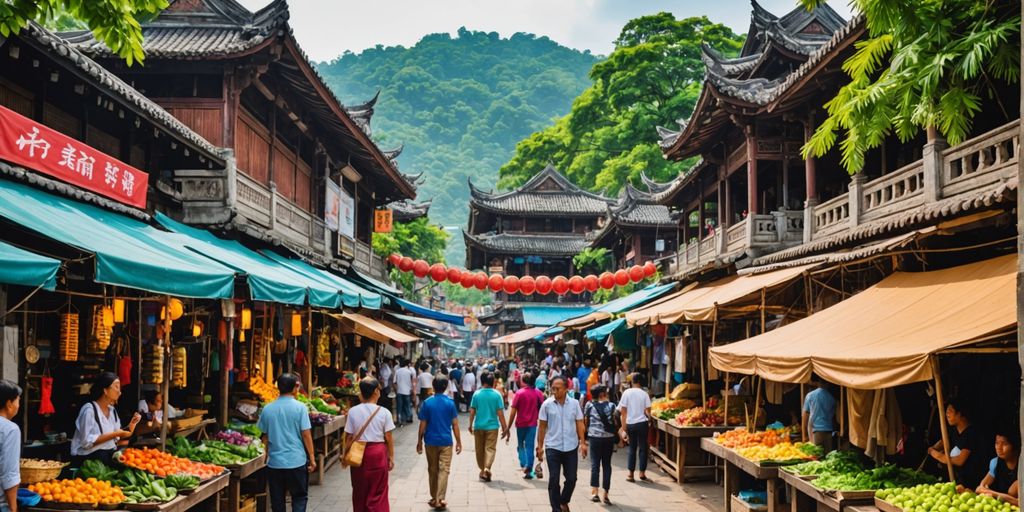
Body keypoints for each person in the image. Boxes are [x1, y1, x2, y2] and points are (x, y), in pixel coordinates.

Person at [257, 373, 315, 512]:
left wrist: (264, 457)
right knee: (299, 497)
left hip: (275, 463)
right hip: (297, 461)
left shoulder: (267, 408)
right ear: (295, 388)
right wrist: (312, 458)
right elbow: (306, 434)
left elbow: (264, 436)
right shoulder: (300, 408)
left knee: (277, 501)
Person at [344, 377, 396, 512]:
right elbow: (388, 437)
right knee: (378, 492)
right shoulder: (385, 412)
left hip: (358, 454)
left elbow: (349, 436)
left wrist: (345, 454)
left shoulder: (353, 411)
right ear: (375, 392)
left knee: (359, 490)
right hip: (377, 453)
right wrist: (391, 457)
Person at [536, 376, 586, 512]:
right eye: (552, 388)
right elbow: (542, 427)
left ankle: (564, 500)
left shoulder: (574, 404)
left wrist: (583, 442)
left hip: (571, 446)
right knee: (553, 479)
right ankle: (556, 508)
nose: (554, 391)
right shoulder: (546, 404)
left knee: (571, 478)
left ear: (565, 389)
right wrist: (539, 447)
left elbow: (579, 423)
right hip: (553, 446)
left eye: (557, 388)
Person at [71, 372, 141, 466]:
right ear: (105, 390)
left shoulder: (112, 411)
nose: (119, 392)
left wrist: (132, 424)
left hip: (107, 457)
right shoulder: (89, 410)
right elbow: (86, 442)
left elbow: (120, 435)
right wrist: (116, 434)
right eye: (116, 387)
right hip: (88, 461)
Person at [416, 376, 462, 510]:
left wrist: (419, 441)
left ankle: (434, 496)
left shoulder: (427, 403)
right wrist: (458, 441)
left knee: (432, 469)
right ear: (446, 386)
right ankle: (439, 498)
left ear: (433, 386)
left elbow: (422, 424)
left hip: (430, 441)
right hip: (446, 442)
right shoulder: (450, 403)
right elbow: (455, 425)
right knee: (444, 470)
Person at [928, 398, 988, 489]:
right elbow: (944, 441)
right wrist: (934, 448)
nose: (946, 414)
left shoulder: (971, 434)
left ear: (960, 414)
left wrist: (935, 454)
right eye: (946, 411)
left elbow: (960, 460)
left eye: (950, 411)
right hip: (956, 479)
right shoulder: (954, 430)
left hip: (970, 482)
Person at [469, 371, 508, 482]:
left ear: (482, 382)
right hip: (492, 427)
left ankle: (483, 470)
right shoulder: (497, 395)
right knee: (490, 449)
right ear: (493, 382)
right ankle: (486, 468)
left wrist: (470, 424)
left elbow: (472, 411)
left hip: (479, 426)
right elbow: (500, 413)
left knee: (479, 450)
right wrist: (505, 428)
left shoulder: (476, 394)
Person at [505, 372, 545, 480]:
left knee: (521, 445)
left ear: (524, 381)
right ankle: (529, 468)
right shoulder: (539, 393)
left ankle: (524, 464)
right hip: (533, 424)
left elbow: (513, 411)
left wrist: (508, 427)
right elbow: (542, 410)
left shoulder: (519, 393)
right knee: (530, 446)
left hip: (521, 424)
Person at [584, 385, 616, 505]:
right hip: (608, 438)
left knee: (595, 464)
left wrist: (587, 434)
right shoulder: (611, 405)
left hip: (594, 438)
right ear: (602, 394)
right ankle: (606, 494)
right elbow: (614, 419)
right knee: (607, 465)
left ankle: (595, 492)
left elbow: (586, 420)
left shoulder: (589, 405)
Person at [617, 373, 651, 482]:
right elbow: (648, 411)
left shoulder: (626, 393)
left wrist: (624, 428)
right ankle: (642, 473)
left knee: (632, 448)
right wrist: (649, 419)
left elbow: (623, 412)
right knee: (643, 448)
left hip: (630, 424)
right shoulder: (644, 394)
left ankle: (630, 475)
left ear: (632, 382)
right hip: (642, 424)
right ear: (641, 382)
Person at [976, 428, 1019, 506]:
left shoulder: (1021, 465)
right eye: (997, 443)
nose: (999, 448)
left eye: (1004, 444)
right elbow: (980, 488)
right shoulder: (995, 463)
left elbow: (1020, 502)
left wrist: (991, 493)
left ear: (1015, 446)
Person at [0, 380, 21, 512]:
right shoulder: (10, 429)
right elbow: (9, 475)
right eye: (18, 400)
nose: (18, 405)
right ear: (9, 404)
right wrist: (13, 508)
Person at [802, 376, 837, 454]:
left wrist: (804, 435)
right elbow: (833, 417)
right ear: (828, 383)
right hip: (829, 431)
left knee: (816, 457)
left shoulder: (810, 395)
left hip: (815, 431)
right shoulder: (832, 398)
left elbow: (805, 415)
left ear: (818, 382)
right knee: (828, 458)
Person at [394, 359, 415, 425]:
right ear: (407, 364)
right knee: (407, 405)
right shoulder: (409, 372)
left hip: (399, 391)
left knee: (399, 407)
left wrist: (396, 390)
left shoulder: (397, 371)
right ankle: (407, 418)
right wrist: (412, 390)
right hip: (407, 391)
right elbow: (412, 382)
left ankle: (399, 419)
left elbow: (394, 382)